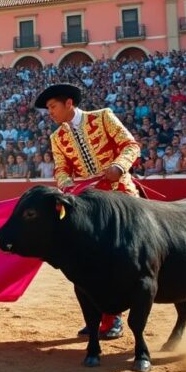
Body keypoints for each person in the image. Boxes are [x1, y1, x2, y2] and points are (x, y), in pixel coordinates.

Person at [37, 83, 141, 341]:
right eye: (48, 108)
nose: (50, 112)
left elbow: (131, 145)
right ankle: (96, 316)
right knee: (82, 259)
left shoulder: (103, 117)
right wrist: (67, 186)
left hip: (120, 196)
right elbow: (61, 169)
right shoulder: (57, 137)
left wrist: (119, 166)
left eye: (52, 106)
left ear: (69, 103)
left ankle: (113, 315)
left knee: (117, 258)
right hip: (89, 203)